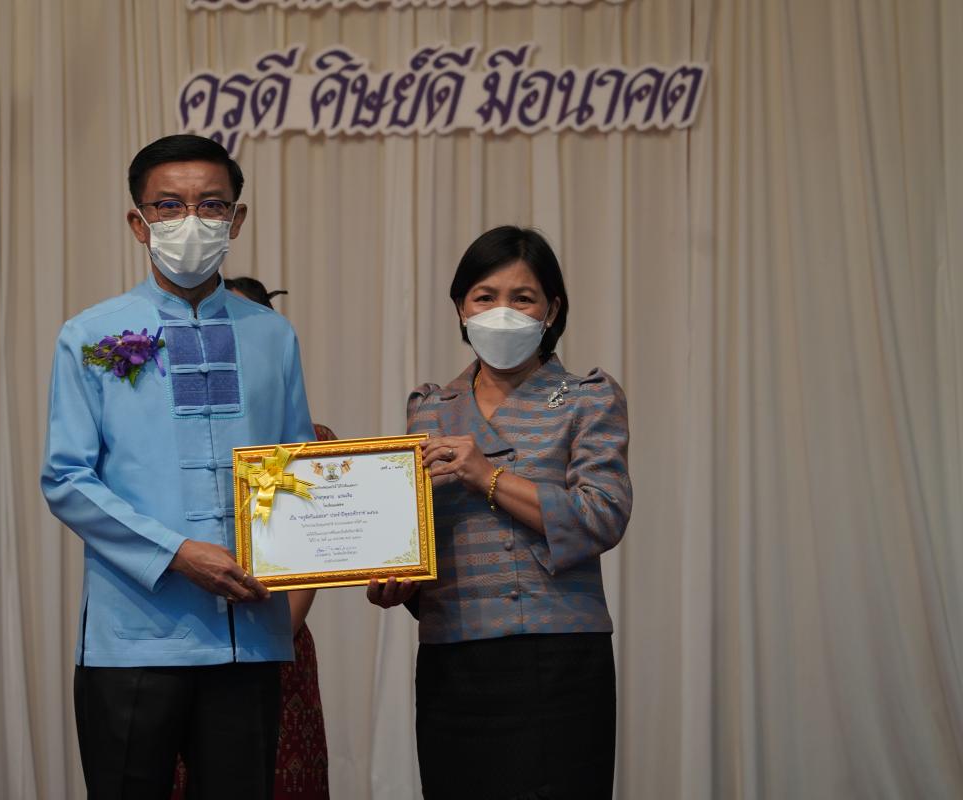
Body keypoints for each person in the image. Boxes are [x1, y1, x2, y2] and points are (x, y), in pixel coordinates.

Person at [41, 134, 315, 799]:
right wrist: (177, 554)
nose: (191, 221)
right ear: (139, 223)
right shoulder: (94, 334)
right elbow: (67, 479)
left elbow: (297, 467)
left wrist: (359, 551)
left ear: (236, 219)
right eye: (169, 205)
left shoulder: (272, 334)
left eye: (211, 205)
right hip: (133, 636)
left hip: (248, 634)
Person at [367, 226, 632, 799]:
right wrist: (399, 581)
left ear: (551, 309)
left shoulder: (588, 397)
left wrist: (487, 475)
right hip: (452, 658)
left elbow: (603, 515)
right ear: (460, 309)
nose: (502, 312)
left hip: (558, 656)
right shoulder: (430, 408)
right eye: (485, 297)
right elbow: (424, 536)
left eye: (523, 297)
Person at [172, 277, 331, 800]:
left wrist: (269, 635)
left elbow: (308, 559)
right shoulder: (174, 441)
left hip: (272, 642)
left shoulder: (309, 445)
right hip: (185, 645)